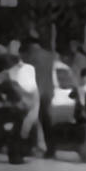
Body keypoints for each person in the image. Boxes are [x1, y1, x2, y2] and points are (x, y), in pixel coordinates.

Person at [19, 29, 57, 159]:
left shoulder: (28, 57)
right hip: (48, 91)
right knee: (46, 121)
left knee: (30, 120)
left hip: (34, 92)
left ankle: (28, 147)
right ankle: (51, 149)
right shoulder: (50, 56)